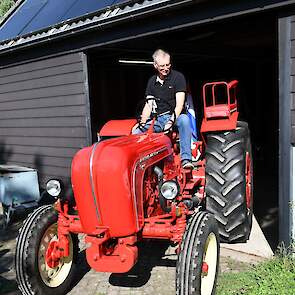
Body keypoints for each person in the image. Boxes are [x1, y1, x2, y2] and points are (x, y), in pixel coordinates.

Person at [132, 49, 193, 169]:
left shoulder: (178, 77)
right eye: (162, 66)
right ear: (155, 65)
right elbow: (148, 105)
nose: (166, 68)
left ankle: (186, 159)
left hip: (175, 116)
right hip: (158, 119)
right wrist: (142, 122)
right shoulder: (151, 82)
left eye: (168, 65)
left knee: (185, 120)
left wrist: (170, 121)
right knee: (136, 132)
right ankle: (140, 165)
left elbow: (179, 105)